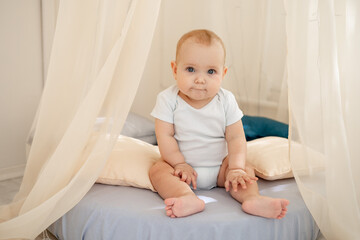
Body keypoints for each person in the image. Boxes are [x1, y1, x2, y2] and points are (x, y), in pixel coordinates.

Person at [149, 29, 289, 219]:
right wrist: (179, 163)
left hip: (221, 170)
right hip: (181, 170)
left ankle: (252, 198)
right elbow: (164, 136)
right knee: (158, 170)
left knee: (246, 170)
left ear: (222, 74)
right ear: (175, 70)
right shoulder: (167, 99)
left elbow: (236, 137)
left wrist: (236, 168)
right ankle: (185, 196)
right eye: (190, 69)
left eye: (211, 71)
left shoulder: (226, 100)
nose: (200, 79)